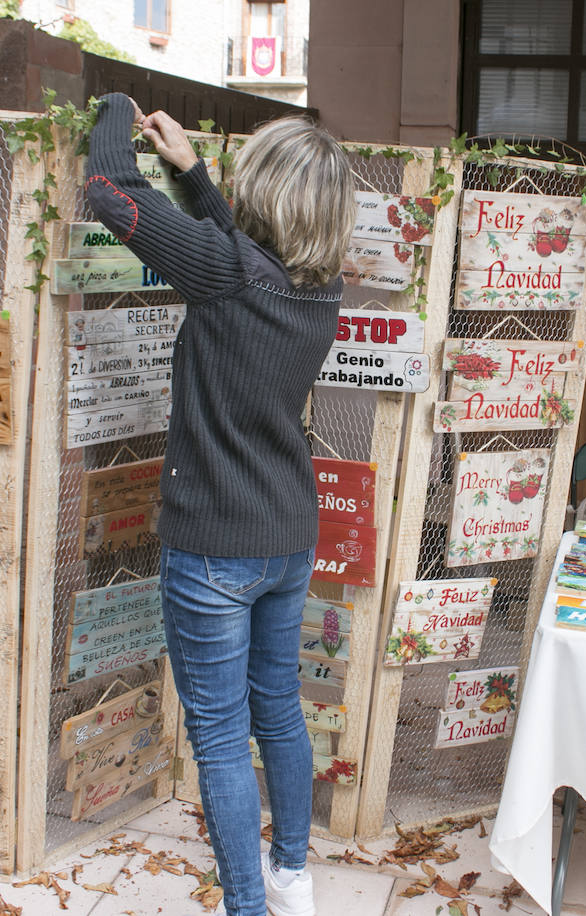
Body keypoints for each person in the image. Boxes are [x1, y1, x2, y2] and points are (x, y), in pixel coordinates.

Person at [85, 92, 356, 916]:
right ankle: (291, 878)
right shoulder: (322, 289)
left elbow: (109, 192)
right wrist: (194, 171)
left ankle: (246, 906)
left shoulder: (228, 274)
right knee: (277, 709)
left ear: (265, 195)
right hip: (286, 535)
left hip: (213, 546)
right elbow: (238, 251)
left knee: (218, 741)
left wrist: (116, 105)